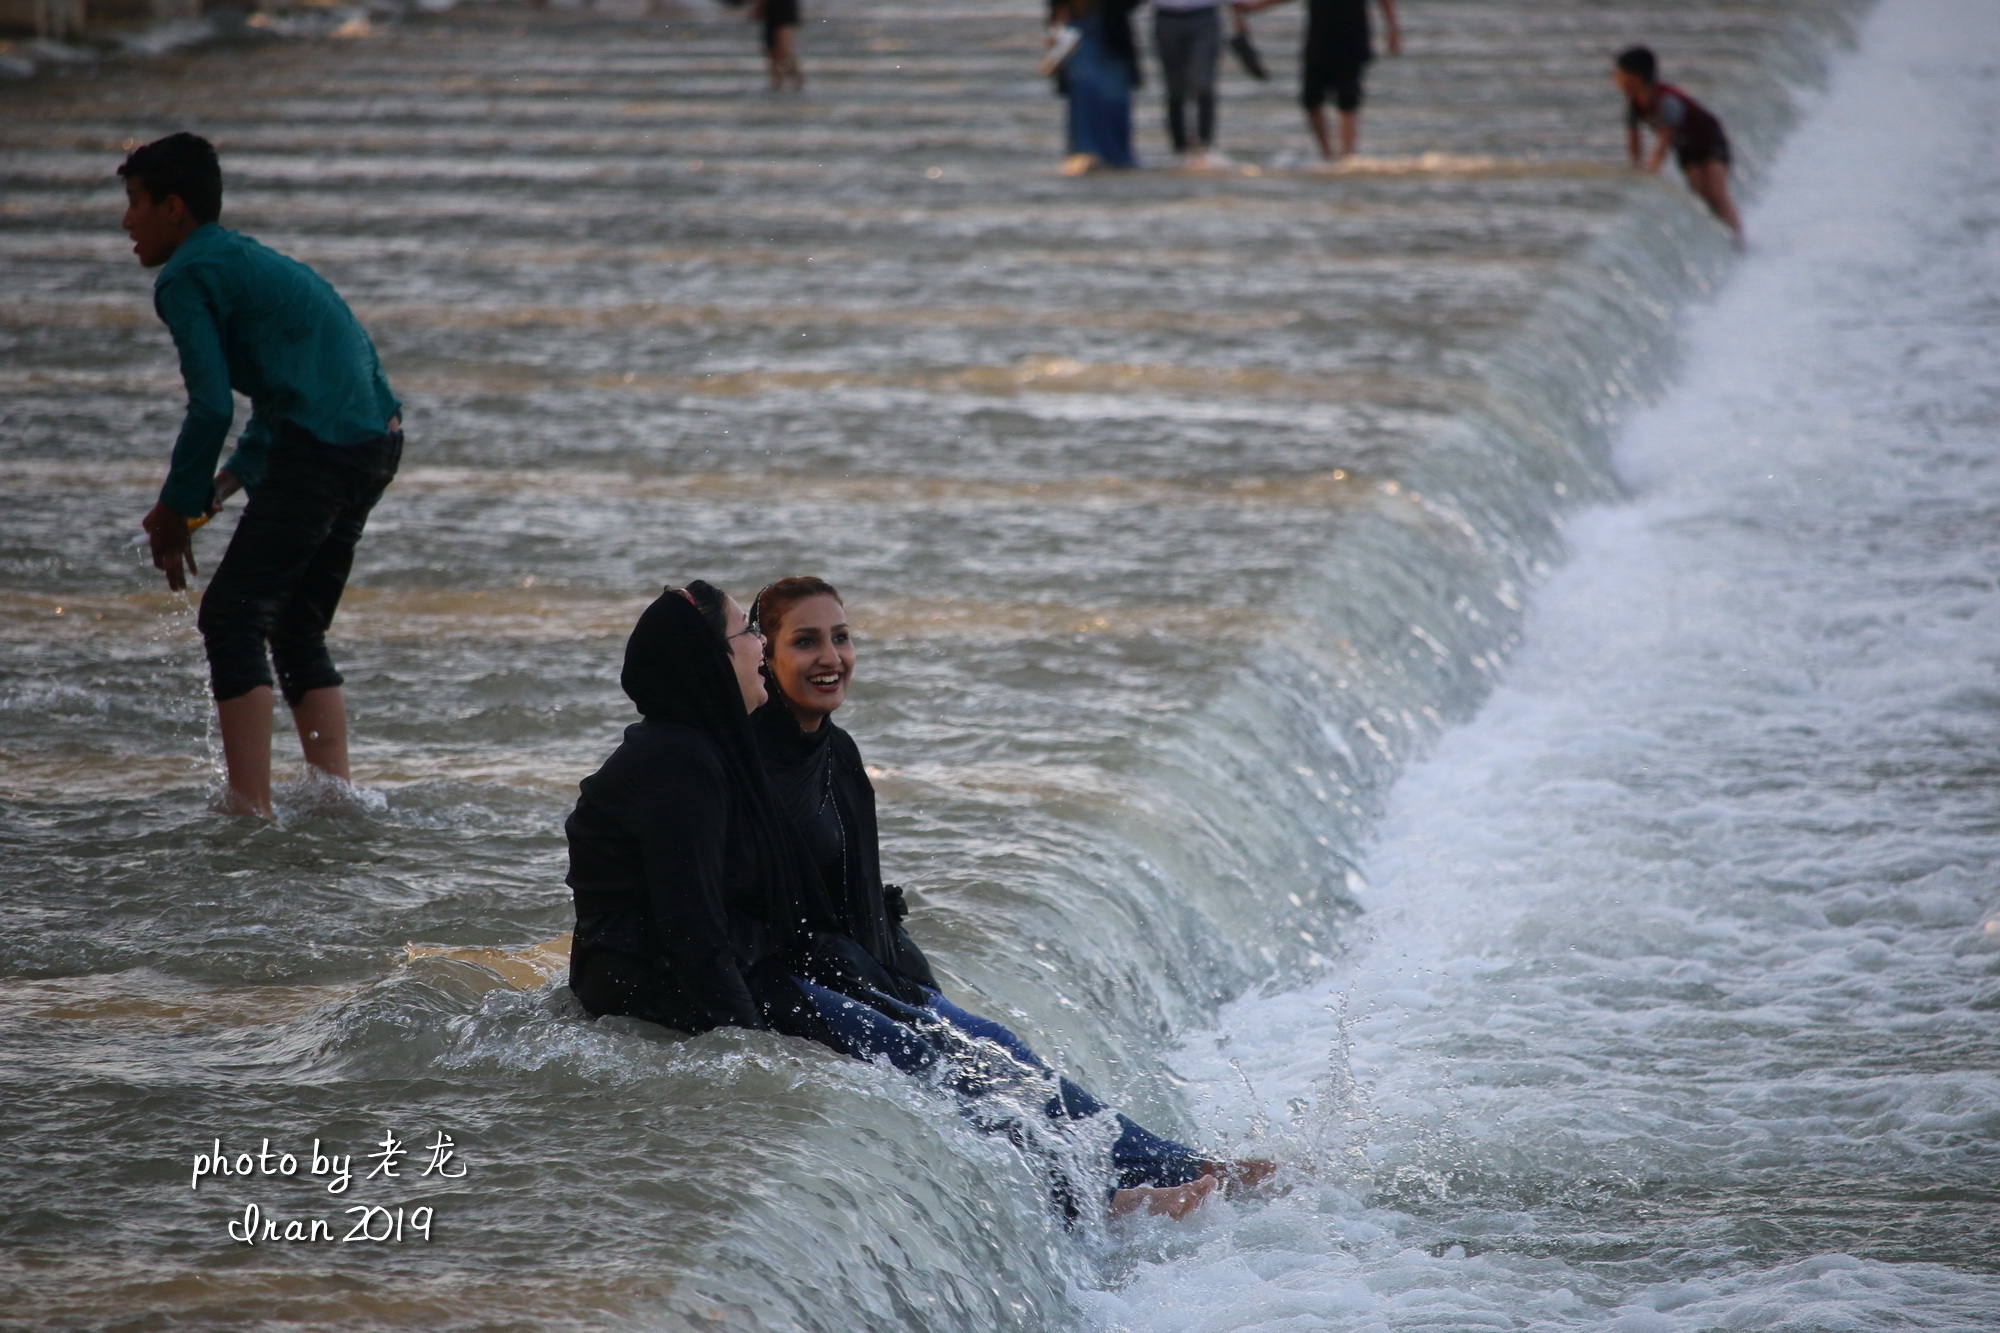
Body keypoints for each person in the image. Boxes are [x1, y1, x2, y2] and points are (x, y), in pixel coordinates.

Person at [566, 580, 1236, 1218]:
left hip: (745, 966)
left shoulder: (711, 748)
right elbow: (692, 930)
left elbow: (783, 908)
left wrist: (886, 983)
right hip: (665, 980)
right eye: (747, 634)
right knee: (917, 1058)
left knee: (981, 1043)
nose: (758, 649)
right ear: (711, 659)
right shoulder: (677, 760)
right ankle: (1089, 1202)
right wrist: (755, 1049)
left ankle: (1170, 1167)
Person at [746, 577, 1278, 1216]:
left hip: (856, 971)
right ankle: (1095, 1206)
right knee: (944, 1069)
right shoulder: (748, 765)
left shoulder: (836, 752)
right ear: (765, 658)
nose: (831, 657)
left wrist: (916, 991)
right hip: (799, 984)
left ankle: (1189, 1167)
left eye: (841, 638)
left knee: (996, 1047)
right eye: (806, 642)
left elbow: (861, 900)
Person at [121, 132, 403, 819]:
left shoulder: (187, 275)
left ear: (175, 209)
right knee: (297, 624)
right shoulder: (238, 260)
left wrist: (174, 505)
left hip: (327, 443)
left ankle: (246, 809)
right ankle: (335, 800)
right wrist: (216, 492)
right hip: (376, 440)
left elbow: (213, 404)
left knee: (232, 614)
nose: (125, 220)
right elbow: (279, 402)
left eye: (134, 202)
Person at [1234, 0, 1399, 162]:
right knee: (1311, 98)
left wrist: (1392, 28)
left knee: (1348, 97)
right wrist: (1255, 7)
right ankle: (1327, 155)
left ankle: (1347, 156)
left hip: (1353, 34)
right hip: (1319, 36)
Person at [1615, 46, 1743, 244]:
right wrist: (1635, 168)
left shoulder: (1666, 100)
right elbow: (1634, 141)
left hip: (1711, 140)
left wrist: (1654, 166)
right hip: (1686, 148)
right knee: (1700, 195)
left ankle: (1738, 240)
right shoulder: (1633, 103)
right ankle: (1719, 240)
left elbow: (1665, 140)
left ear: (1636, 77)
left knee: (1717, 194)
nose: (1616, 78)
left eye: (1620, 74)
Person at [1050, 0, 1143, 174]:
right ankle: (1086, 151)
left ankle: (1116, 155)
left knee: (1114, 96)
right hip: (1076, 26)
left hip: (1111, 28)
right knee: (1083, 88)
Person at [1152, 0, 1227, 167]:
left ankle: (1205, 147)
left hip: (1204, 14)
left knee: (1203, 85)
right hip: (1165, 15)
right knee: (1174, 90)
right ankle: (1179, 150)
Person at [750, 0, 803, 92]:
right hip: (772, 11)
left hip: (784, 10)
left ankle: (797, 80)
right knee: (772, 51)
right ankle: (778, 82)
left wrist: (758, 8)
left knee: (784, 49)